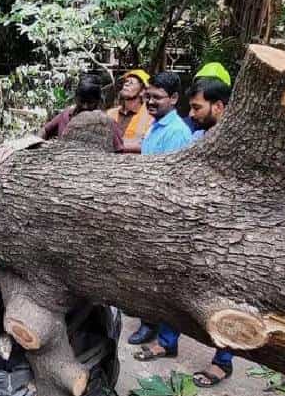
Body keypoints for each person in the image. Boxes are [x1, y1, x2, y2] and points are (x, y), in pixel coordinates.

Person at [129, 72, 192, 359]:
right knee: (147, 278)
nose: (150, 102)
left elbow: (173, 181)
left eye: (157, 97)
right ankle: (150, 325)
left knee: (166, 283)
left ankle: (166, 339)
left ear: (175, 98)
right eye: (148, 96)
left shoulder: (177, 132)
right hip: (145, 211)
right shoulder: (155, 127)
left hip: (163, 217)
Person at [40, 79, 123, 149]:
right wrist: (39, 142)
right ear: (75, 98)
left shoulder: (107, 123)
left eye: (90, 102)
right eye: (82, 101)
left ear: (98, 101)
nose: (85, 106)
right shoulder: (65, 115)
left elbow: (119, 150)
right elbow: (45, 130)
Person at [107, 69, 153, 152]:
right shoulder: (110, 113)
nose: (126, 84)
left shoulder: (150, 117)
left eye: (131, 82)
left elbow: (150, 145)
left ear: (142, 91)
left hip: (135, 164)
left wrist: (118, 146)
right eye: (126, 81)